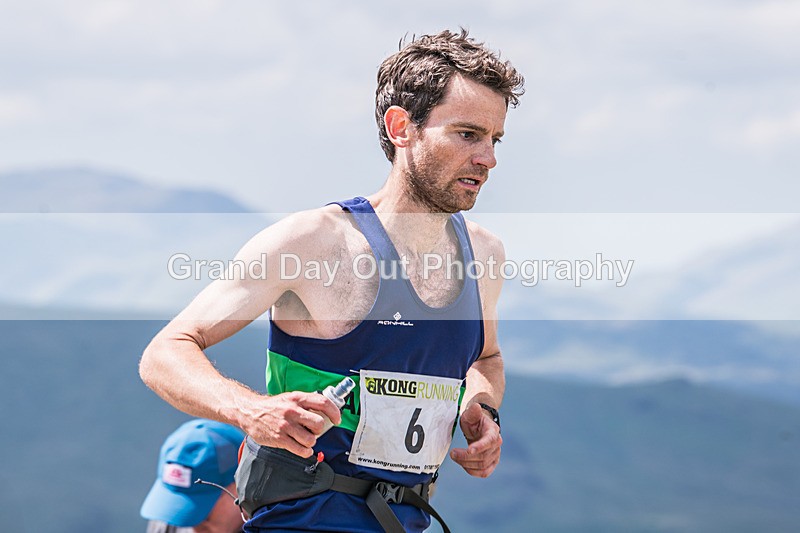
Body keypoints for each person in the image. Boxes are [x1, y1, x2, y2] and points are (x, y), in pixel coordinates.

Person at [140, 28, 523, 532]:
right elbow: (165, 352)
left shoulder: (484, 253)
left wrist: (480, 408)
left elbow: (485, 359)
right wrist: (252, 410)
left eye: (494, 139)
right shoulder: (313, 241)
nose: (488, 159)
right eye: (467, 134)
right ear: (402, 126)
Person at [141, 419, 246, 533]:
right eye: (177, 508)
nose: (192, 526)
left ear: (243, 487)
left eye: (202, 509)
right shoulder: (168, 523)